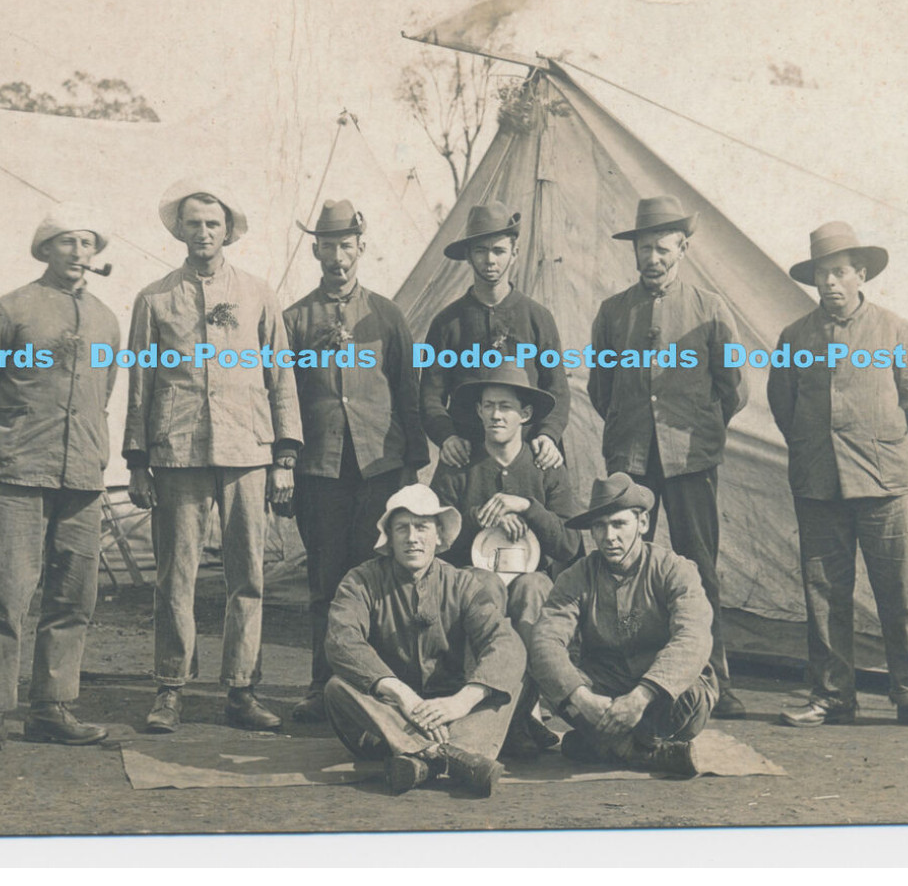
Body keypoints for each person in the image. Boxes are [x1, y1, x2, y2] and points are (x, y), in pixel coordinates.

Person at [124, 179, 302, 733]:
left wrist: (284, 456)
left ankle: (242, 690)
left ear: (228, 231)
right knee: (176, 576)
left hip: (248, 449)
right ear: (179, 230)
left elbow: (280, 375)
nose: (203, 232)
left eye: (213, 224)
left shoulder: (257, 293)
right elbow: (140, 382)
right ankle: (170, 687)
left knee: (247, 575)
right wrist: (136, 460)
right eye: (194, 223)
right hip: (178, 451)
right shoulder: (154, 299)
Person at [766, 222, 908, 730]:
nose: (830, 283)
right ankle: (832, 698)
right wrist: (815, 454)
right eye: (822, 274)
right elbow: (783, 407)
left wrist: (898, 467)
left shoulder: (896, 331)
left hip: (885, 487)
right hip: (819, 486)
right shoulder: (794, 337)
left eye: (839, 272)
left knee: (898, 591)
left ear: (861, 274)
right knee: (824, 593)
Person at [0, 205, 124, 757]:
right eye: (68, 242)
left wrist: (89, 452)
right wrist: (6, 446)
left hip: (82, 478)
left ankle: (52, 708)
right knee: (5, 595)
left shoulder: (104, 319)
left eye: (87, 244)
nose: (79, 253)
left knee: (74, 596)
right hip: (18, 475)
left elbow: (103, 391)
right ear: (44, 249)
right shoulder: (8, 311)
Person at [586, 195, 749, 720]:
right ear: (633, 252)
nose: (652, 258)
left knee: (699, 566)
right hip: (631, 460)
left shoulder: (710, 307)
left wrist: (696, 433)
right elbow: (600, 388)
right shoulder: (614, 312)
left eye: (662, 248)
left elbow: (733, 389)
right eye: (644, 249)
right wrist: (633, 431)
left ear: (683, 247)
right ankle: (634, 674)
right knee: (629, 565)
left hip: (690, 461)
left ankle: (714, 678)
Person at [282, 199, 428, 723]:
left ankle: (380, 686)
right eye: (328, 246)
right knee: (325, 580)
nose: (337, 256)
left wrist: (411, 468)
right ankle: (322, 684)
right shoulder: (294, 318)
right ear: (315, 249)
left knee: (378, 577)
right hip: (319, 471)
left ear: (361, 248)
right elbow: (282, 396)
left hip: (379, 469)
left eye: (346, 245)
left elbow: (408, 392)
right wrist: (286, 462)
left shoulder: (386, 315)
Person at [323, 484, 526, 798]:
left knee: (509, 680)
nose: (412, 538)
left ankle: (420, 762)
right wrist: (400, 692)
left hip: (451, 714)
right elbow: (341, 639)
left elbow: (506, 644)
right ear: (389, 537)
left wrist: (461, 701)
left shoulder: (463, 584)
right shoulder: (360, 581)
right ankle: (452, 757)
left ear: (439, 535)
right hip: (389, 713)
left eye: (422, 527)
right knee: (338, 687)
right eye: (402, 528)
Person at [428, 363, 578, 754]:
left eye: (506, 407)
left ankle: (523, 710)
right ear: (477, 411)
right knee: (483, 583)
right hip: (474, 585)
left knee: (533, 587)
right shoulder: (460, 461)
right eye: (488, 405)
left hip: (532, 582)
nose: (496, 415)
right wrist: (480, 518)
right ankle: (488, 711)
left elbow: (570, 545)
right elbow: (434, 540)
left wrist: (528, 507)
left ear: (525, 415)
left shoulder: (546, 464)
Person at [528, 474, 717, 777]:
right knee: (558, 685)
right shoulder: (578, 576)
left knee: (691, 695)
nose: (609, 537)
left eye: (618, 524)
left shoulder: (674, 569)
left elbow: (693, 636)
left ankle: (604, 746)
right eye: (600, 526)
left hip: (662, 698)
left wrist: (642, 695)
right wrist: (580, 696)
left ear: (642, 523)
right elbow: (545, 640)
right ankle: (647, 752)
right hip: (604, 695)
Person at [419, 204, 570, 474]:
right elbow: (430, 395)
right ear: (468, 255)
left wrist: (548, 435)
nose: (490, 260)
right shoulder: (447, 323)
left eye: (499, 250)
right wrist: (447, 437)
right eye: (481, 250)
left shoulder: (538, 318)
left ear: (514, 253)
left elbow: (557, 388)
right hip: (466, 457)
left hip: (529, 454)